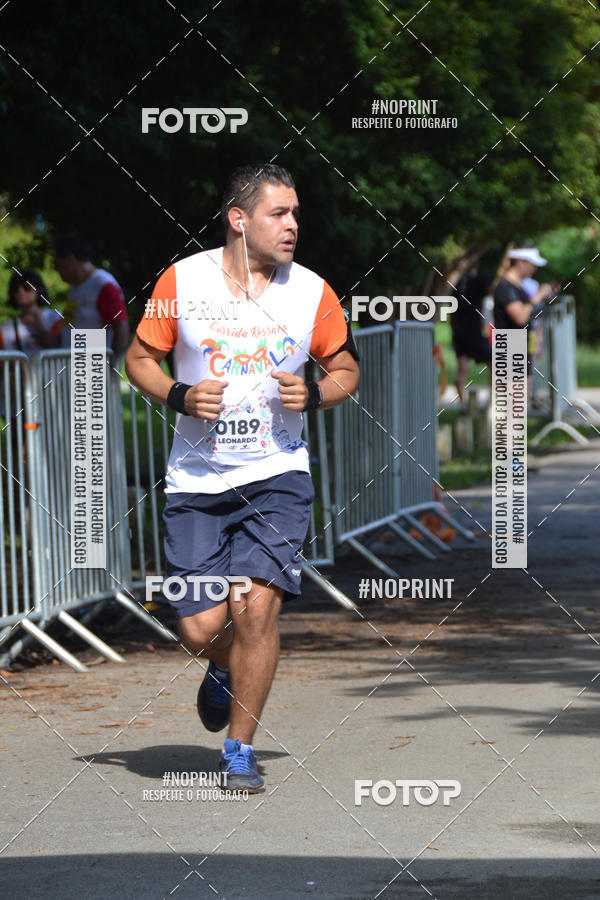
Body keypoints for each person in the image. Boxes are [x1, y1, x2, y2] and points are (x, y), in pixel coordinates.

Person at [125, 164, 360, 792]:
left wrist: (313, 396)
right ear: (238, 219)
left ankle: (239, 748)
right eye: (278, 214)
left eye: (295, 215)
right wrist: (177, 395)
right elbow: (139, 357)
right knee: (200, 625)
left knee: (254, 608)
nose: (292, 226)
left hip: (277, 472)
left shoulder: (311, 290)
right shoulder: (183, 280)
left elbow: (344, 369)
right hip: (196, 479)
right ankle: (228, 669)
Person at [53, 235, 129, 354]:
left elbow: (121, 327)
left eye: (57, 263)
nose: (56, 269)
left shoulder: (103, 283)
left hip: (93, 366)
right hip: (75, 365)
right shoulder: (74, 287)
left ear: (70, 260)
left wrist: (112, 366)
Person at [493, 246, 553, 390]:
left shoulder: (517, 286)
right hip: (511, 345)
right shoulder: (506, 287)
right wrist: (537, 296)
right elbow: (520, 317)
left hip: (519, 345)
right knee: (514, 404)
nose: (534, 269)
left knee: (520, 403)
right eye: (532, 265)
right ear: (520, 263)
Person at [449, 254, 492, 408]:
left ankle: (463, 404)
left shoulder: (455, 283)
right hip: (474, 333)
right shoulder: (479, 282)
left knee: (462, 369)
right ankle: (492, 400)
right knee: (494, 364)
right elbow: (491, 290)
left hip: (459, 332)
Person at [0, 269, 63, 354]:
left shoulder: (57, 318)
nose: (21, 292)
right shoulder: (5, 330)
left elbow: (57, 346)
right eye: (15, 289)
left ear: (39, 290)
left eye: (27, 287)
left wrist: (39, 326)